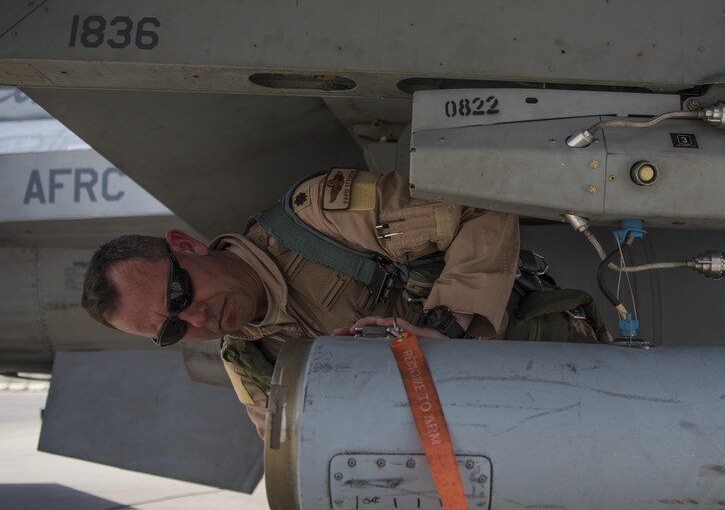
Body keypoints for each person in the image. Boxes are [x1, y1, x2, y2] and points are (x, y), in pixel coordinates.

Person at [82, 168, 524, 437]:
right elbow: (306, 456)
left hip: (548, 363)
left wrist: (445, 329)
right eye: (174, 328)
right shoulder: (250, 365)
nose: (197, 318)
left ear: (186, 245)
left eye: (179, 295)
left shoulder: (321, 220)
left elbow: (478, 205)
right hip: (496, 442)